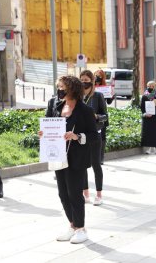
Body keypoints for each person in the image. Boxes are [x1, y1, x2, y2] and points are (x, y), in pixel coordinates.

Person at [40, 75, 98, 244]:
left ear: (72, 89)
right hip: (58, 156)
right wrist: (43, 134)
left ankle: (81, 229)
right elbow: (48, 125)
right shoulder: (55, 106)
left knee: (74, 193)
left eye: (62, 87)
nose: (59, 90)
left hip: (77, 158)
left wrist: (77, 136)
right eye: (58, 86)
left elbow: (94, 136)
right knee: (63, 193)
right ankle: (72, 225)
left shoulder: (85, 110)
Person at [80, 70, 108, 205]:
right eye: (81, 80)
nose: (84, 82)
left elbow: (105, 116)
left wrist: (97, 116)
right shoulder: (77, 97)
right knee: (83, 165)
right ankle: (86, 194)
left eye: (86, 80)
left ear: (91, 81)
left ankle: (99, 194)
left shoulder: (98, 96)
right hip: (80, 136)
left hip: (95, 134)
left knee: (96, 164)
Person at [141, 81, 156, 154]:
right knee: (149, 132)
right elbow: (142, 107)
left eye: (152, 86)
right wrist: (145, 114)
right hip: (148, 117)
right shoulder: (144, 96)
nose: (150, 87)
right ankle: (149, 148)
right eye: (149, 86)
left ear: (154, 87)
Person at [94, 69, 110, 164]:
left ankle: (101, 158)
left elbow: (109, 102)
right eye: (96, 75)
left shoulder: (105, 87)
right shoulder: (90, 86)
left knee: (102, 137)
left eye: (100, 75)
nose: (97, 76)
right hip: (91, 113)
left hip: (101, 114)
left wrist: (111, 95)